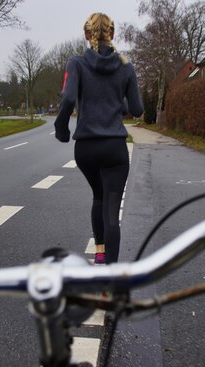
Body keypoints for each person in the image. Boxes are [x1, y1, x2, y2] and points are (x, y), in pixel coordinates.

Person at [54, 12, 144, 264]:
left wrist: (62, 128)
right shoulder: (126, 66)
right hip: (114, 148)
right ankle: (111, 276)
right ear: (113, 34)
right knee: (111, 211)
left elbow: (69, 98)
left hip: (86, 149)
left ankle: (100, 252)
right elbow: (137, 109)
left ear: (86, 35)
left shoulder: (76, 63)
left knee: (98, 196)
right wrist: (117, 101)